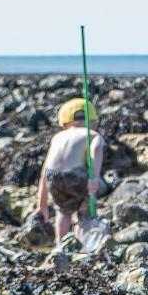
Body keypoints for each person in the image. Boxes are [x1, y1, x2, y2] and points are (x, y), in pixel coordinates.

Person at [37, 98, 106, 242]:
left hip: (53, 176)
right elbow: (97, 147)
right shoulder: (92, 134)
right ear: (93, 122)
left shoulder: (58, 137)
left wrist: (41, 205)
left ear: (64, 123)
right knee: (84, 211)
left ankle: (59, 244)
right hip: (75, 175)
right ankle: (82, 241)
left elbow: (44, 173)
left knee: (63, 210)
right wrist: (94, 176)